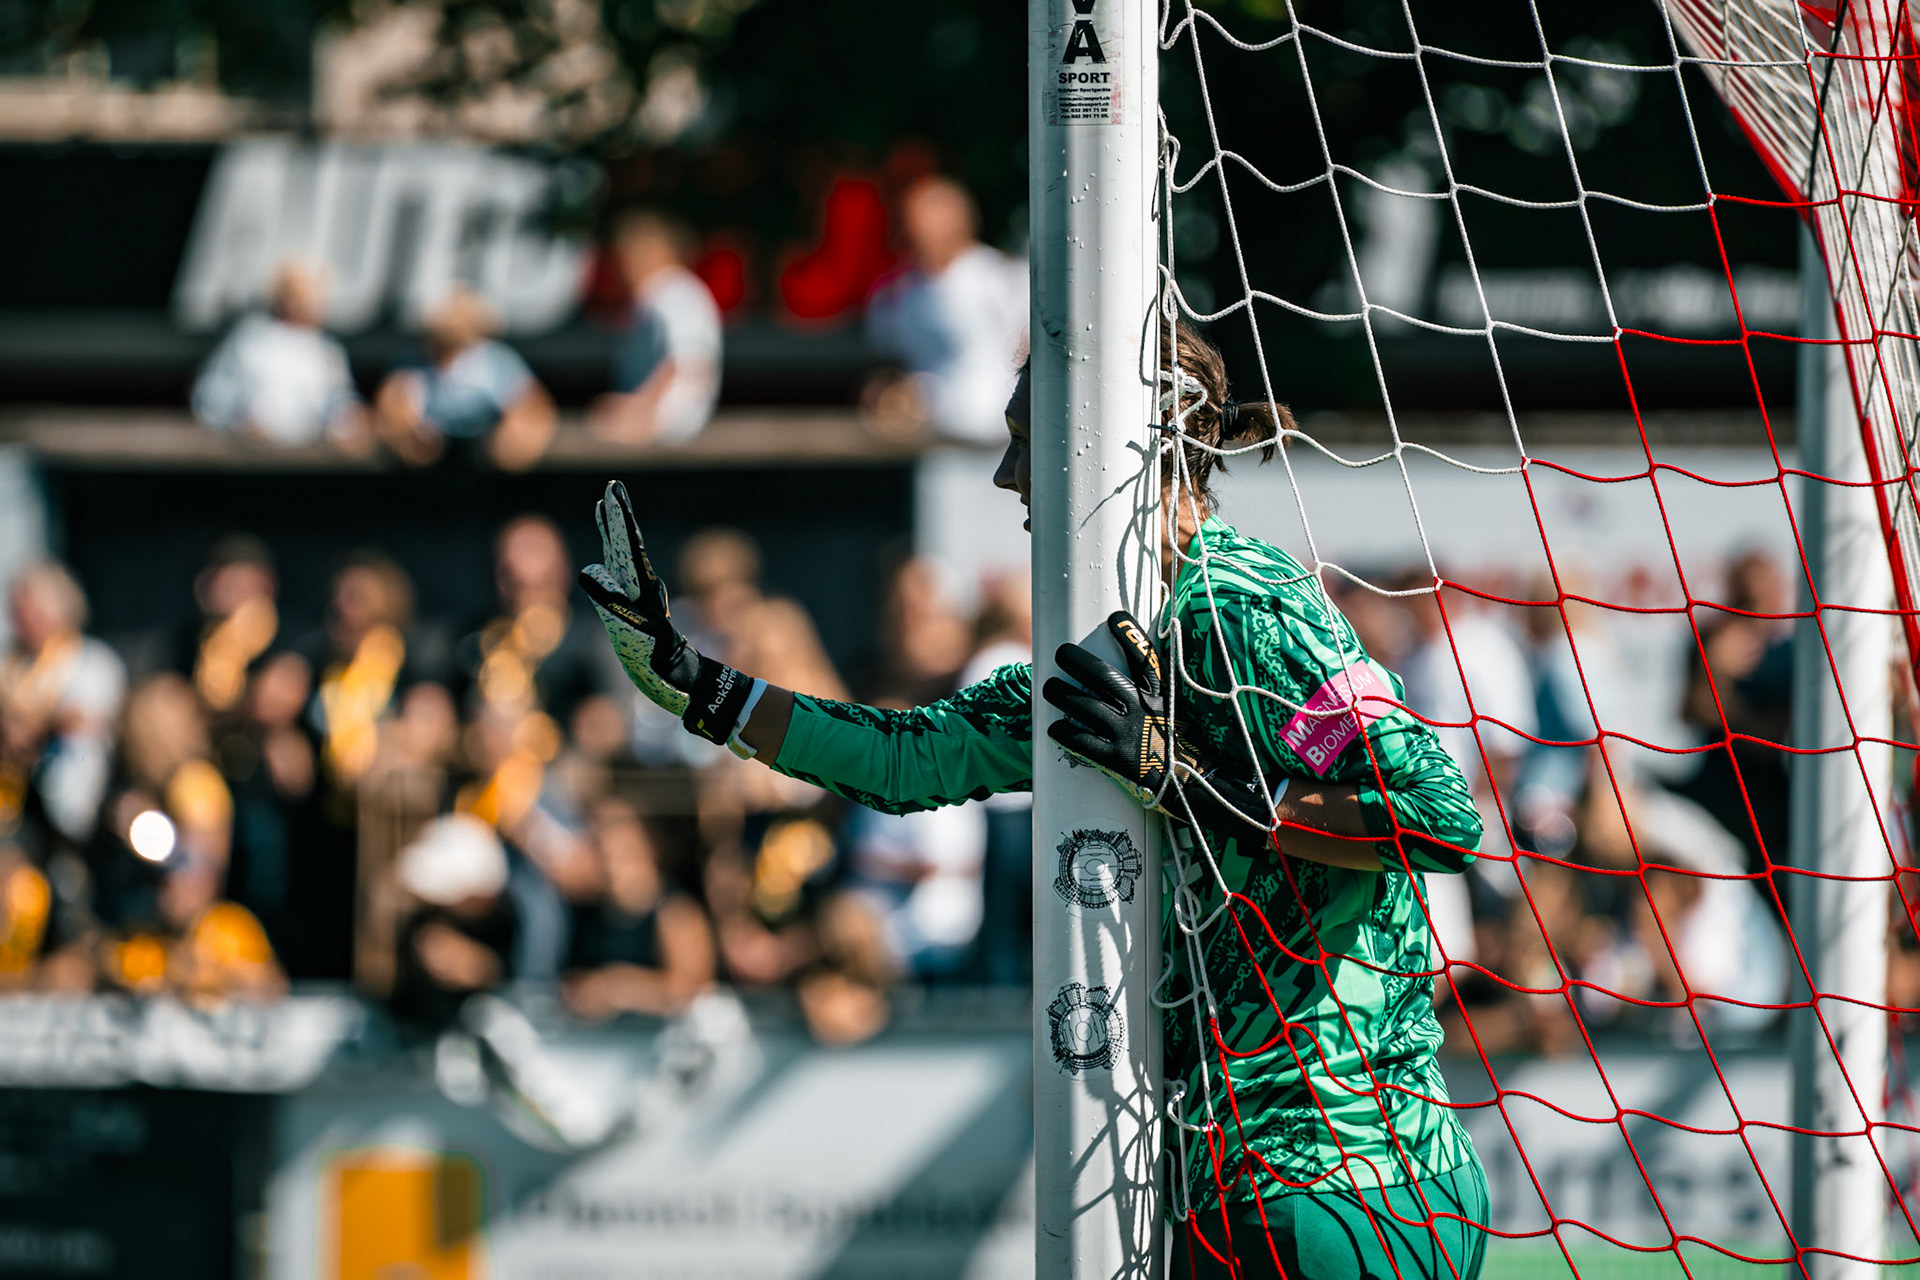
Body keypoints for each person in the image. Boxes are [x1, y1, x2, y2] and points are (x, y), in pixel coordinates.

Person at [577, 321, 1489, 1278]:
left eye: (1027, 438)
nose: (1008, 477)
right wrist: (688, 680)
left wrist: (1189, 784)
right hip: (1257, 1181)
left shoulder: (1244, 608)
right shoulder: (1103, 642)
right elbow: (903, 761)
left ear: (1124, 445)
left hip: (1342, 1185)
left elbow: (1434, 817)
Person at [864, 176, 1029, 442]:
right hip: (935, 443)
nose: (920, 228)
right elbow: (891, 368)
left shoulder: (1004, 280)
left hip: (1004, 441)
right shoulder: (897, 296)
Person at [191, 259, 369, 452]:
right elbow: (211, 394)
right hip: (250, 456)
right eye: (305, 295)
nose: (314, 304)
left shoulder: (326, 351)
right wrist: (240, 419)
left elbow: (338, 402)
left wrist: (351, 421)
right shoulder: (251, 340)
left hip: (308, 460)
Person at [373, 286, 557, 471]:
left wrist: (510, 445)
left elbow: (530, 410)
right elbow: (393, 412)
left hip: (485, 462)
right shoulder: (410, 364)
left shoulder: (496, 362)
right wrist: (410, 440)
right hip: (425, 469)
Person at [590, 210, 724, 445]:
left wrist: (641, 408)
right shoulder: (656, 295)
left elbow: (689, 362)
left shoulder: (676, 291)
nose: (623, 267)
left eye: (629, 254)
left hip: (671, 430)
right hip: (661, 429)